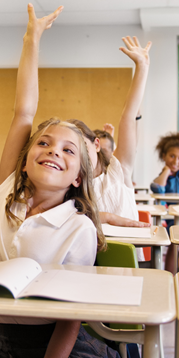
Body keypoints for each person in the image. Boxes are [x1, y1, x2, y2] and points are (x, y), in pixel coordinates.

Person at [0, 5, 129, 358]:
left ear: (78, 177)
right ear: (27, 155)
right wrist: (31, 40)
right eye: (44, 142)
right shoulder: (6, 194)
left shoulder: (79, 226)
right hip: (8, 346)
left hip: (63, 352)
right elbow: (24, 110)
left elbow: (70, 318)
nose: (53, 150)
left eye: (69, 150)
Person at [71, 37, 152, 228]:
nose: (79, 153)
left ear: (96, 144)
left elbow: (128, 116)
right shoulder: (73, 184)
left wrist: (142, 67)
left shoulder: (118, 171)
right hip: (91, 255)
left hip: (127, 253)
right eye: (70, 149)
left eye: (83, 145)